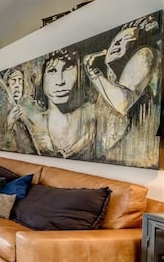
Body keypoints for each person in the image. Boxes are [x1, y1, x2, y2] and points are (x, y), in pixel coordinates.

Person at [83, 14, 161, 164]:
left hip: (136, 155)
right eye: (116, 41)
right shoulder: (106, 88)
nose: (118, 44)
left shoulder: (145, 53)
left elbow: (123, 104)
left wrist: (93, 72)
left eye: (127, 39)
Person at [27, 49, 96, 159]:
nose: (60, 81)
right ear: (40, 79)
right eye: (52, 71)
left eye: (67, 68)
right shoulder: (33, 122)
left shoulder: (92, 114)